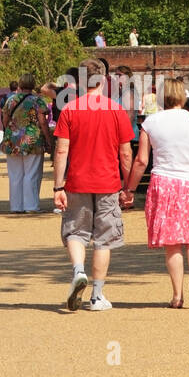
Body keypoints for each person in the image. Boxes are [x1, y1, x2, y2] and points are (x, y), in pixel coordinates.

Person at [120, 78, 189, 306]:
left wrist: (129, 190)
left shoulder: (151, 121)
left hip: (163, 183)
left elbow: (141, 160)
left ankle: (177, 295)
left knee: (172, 241)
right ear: (183, 96)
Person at [52, 58, 134, 311]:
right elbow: (126, 154)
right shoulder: (116, 110)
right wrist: (128, 186)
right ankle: (97, 295)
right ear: (104, 80)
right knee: (103, 239)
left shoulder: (69, 110)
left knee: (75, 231)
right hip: (107, 181)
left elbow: (61, 151)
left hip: (77, 180)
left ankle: (78, 270)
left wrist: (58, 187)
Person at [0, 73, 53, 213]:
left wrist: (11, 132)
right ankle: (31, 206)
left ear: (20, 84)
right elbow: (43, 122)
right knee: (32, 174)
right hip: (32, 140)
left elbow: (5, 121)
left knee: (15, 175)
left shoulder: (10, 100)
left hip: (12, 140)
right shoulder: (38, 101)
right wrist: (49, 141)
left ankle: (16, 206)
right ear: (33, 84)